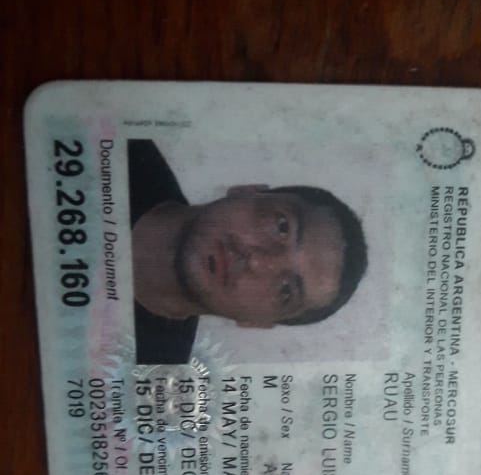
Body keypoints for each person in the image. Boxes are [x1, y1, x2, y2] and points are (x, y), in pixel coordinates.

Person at [128, 140, 368, 364]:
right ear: (246, 190)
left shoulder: (148, 373)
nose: (257, 261)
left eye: (286, 290)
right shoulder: (128, 150)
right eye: (281, 226)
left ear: (256, 323)